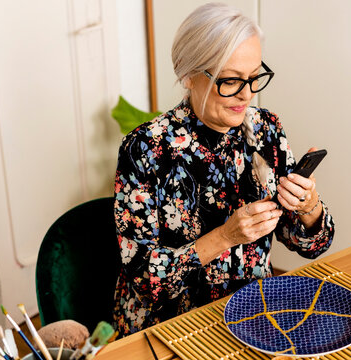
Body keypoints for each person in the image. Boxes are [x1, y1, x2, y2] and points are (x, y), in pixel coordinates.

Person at [112, 2, 335, 337]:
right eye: (230, 80)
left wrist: (308, 207)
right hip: (170, 328)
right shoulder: (145, 149)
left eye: (254, 77)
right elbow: (144, 282)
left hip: (253, 314)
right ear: (188, 75)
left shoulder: (266, 131)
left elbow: (312, 245)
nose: (246, 95)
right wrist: (225, 237)